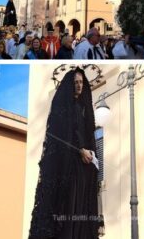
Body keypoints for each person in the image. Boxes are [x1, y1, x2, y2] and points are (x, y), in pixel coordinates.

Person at [29, 69, 103, 239]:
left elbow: (88, 134)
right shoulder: (62, 106)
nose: (79, 85)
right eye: (76, 82)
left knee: (83, 209)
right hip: (68, 166)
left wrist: (90, 152)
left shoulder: (84, 108)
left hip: (86, 166)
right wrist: (79, 150)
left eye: (81, 82)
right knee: (70, 207)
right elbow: (58, 136)